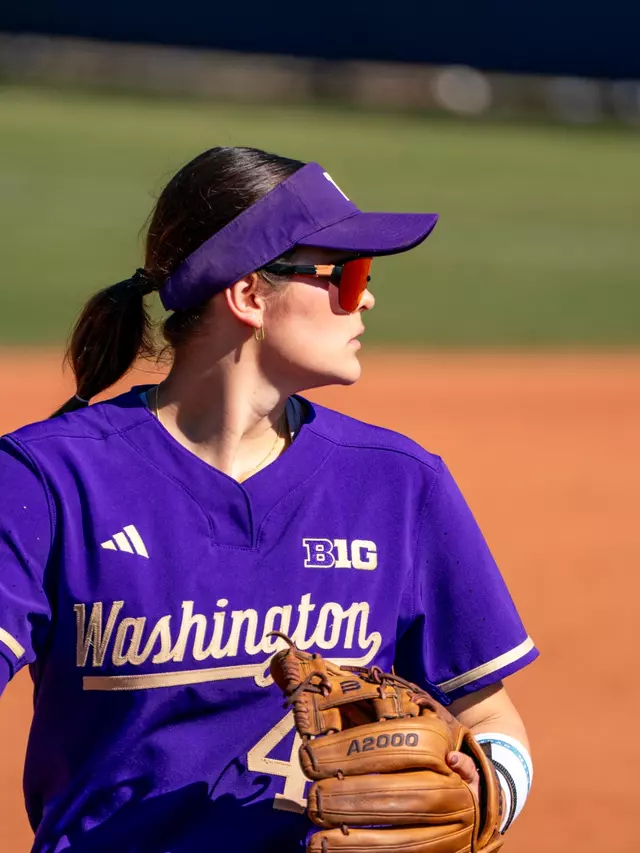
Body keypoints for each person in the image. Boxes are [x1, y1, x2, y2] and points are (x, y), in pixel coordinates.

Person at [0, 147, 537, 853]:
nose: (366, 296)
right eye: (345, 274)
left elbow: (491, 710)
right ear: (249, 294)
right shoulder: (49, 477)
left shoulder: (400, 484)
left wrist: (489, 784)